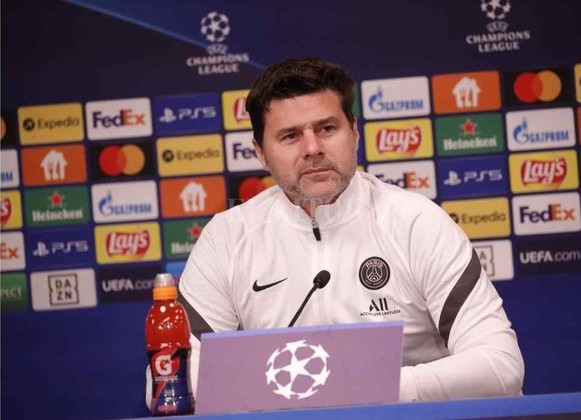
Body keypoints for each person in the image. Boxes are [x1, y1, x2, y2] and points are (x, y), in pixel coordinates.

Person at [158, 57, 524, 403]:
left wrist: (358, 389)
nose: (313, 148)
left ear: (355, 133)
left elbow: (500, 366)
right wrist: (312, 392)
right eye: (290, 136)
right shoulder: (227, 238)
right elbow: (170, 383)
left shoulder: (416, 223)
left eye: (327, 128)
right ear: (260, 152)